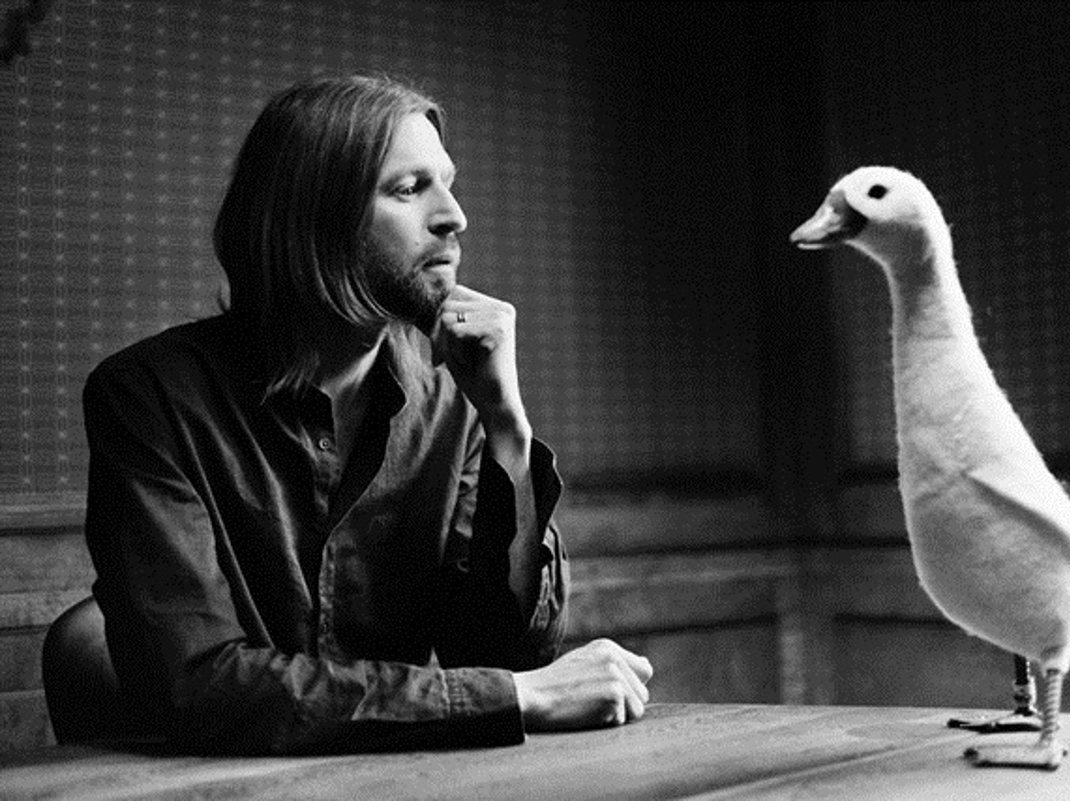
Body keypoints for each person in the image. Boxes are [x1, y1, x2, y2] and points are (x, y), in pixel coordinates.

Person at [82, 72, 653, 755]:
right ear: (313, 217)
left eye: (449, 184)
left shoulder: (455, 404)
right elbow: (200, 685)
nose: (453, 216)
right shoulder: (147, 397)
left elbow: (504, 651)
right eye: (409, 189)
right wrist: (516, 698)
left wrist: (508, 427)